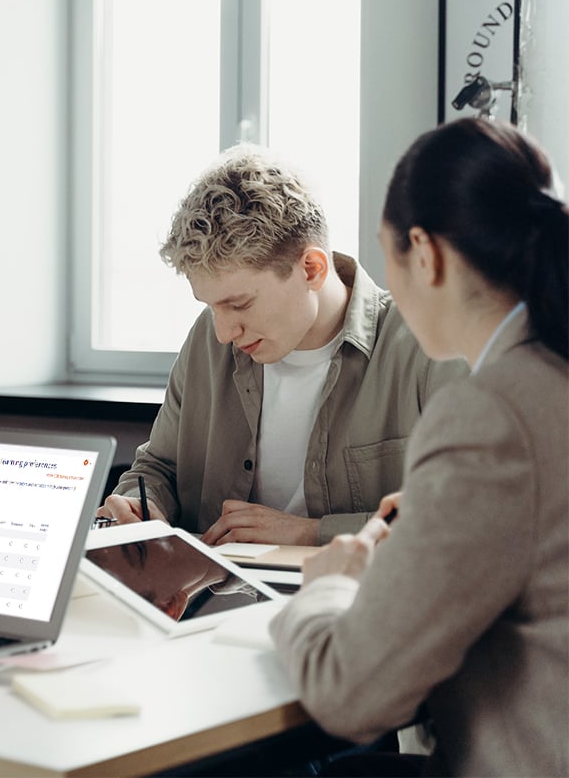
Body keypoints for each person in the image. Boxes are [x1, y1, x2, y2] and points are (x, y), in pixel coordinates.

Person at [270, 118, 568, 776]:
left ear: (425, 253)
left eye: (387, 258)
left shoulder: (488, 413)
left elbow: (351, 693)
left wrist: (327, 588)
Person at [99, 145, 465, 545]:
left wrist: (311, 533)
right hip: (215, 600)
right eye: (211, 307)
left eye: (239, 304)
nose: (223, 333)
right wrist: (135, 503)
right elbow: (160, 467)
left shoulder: (426, 347)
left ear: (312, 268)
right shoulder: (209, 336)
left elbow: (471, 511)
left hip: (361, 600)